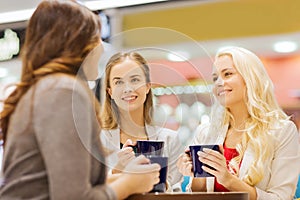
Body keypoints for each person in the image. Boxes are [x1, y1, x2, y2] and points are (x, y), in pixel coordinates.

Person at [0, 1, 160, 199]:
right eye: (96, 38)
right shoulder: (62, 92)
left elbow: (55, 184)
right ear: (78, 44)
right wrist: (129, 183)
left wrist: (124, 177)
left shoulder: (46, 89)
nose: (101, 47)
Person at [177, 46, 300, 200]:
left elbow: (281, 197)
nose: (219, 83)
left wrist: (228, 179)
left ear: (250, 78)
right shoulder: (206, 131)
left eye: (227, 74)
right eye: (215, 78)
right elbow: (200, 192)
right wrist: (195, 173)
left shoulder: (282, 131)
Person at [100, 51, 184, 191]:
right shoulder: (97, 141)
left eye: (134, 80)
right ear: (110, 92)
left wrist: (159, 181)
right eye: (119, 82)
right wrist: (117, 172)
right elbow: (89, 192)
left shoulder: (170, 140)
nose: (128, 89)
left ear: (147, 86)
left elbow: (178, 191)